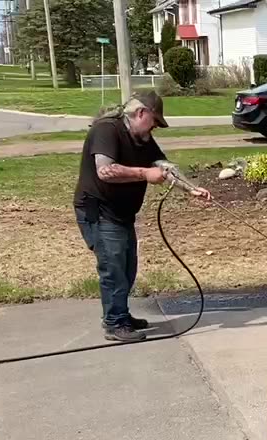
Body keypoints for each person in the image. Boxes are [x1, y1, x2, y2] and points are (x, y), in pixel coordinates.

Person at [73, 89, 212, 342]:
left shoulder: (143, 139)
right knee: (113, 268)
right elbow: (105, 171)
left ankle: (121, 315)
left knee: (127, 268)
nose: (155, 128)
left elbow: (163, 166)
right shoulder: (106, 130)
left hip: (122, 214)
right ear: (141, 113)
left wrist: (192, 189)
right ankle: (115, 323)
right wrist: (144, 174)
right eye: (154, 121)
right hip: (99, 210)